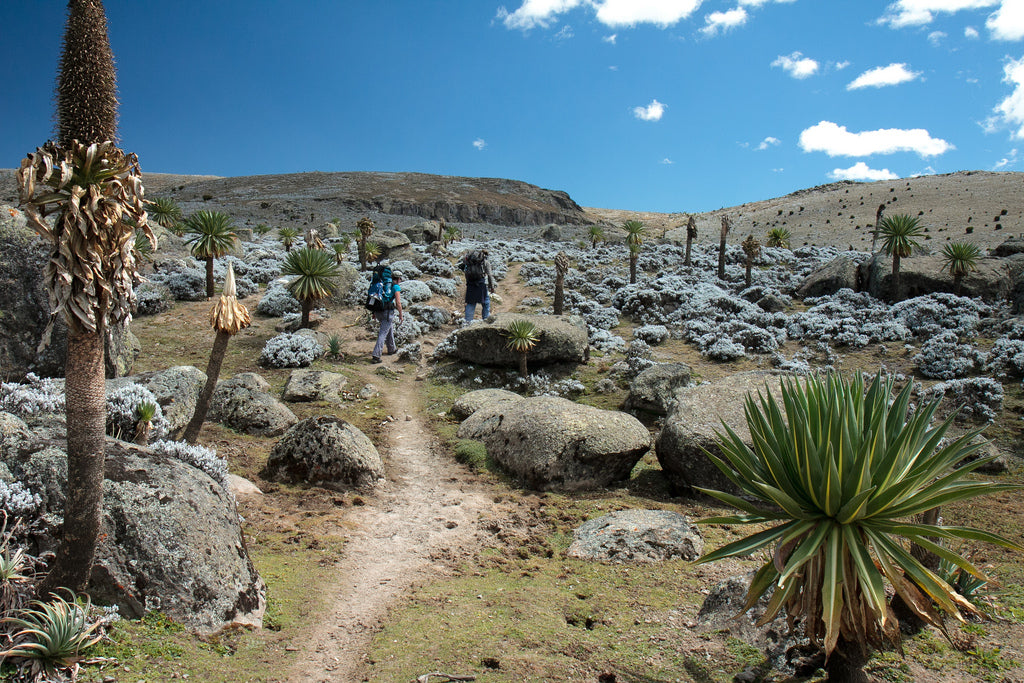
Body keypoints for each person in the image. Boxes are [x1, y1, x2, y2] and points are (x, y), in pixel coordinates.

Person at [371, 270, 403, 363]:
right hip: (387, 312)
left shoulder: (383, 285)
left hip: (378, 311)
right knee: (382, 333)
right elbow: (398, 303)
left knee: (389, 328)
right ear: (399, 279)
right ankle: (376, 355)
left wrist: (374, 312)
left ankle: (392, 348)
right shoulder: (396, 287)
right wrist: (401, 315)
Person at [459, 249, 495, 321]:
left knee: (470, 303)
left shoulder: (469, 261)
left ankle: (467, 322)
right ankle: (486, 320)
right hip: (481, 284)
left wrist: (468, 282)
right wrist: (492, 287)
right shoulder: (484, 262)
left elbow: (465, 271)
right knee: (486, 302)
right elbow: (490, 275)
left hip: (470, 284)